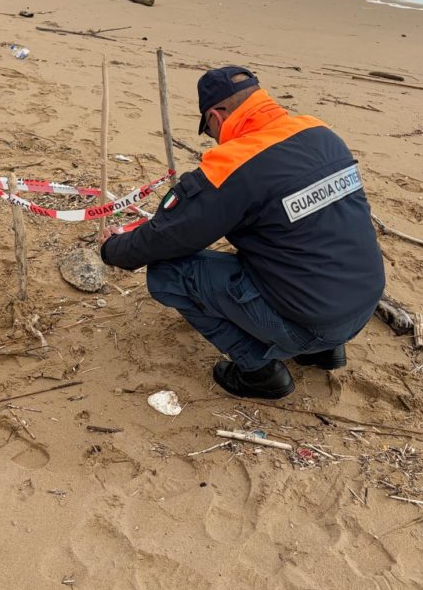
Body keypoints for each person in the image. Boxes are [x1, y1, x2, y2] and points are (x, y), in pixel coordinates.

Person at [100, 66, 385, 400]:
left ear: (216, 117)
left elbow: (166, 238)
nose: (215, 139)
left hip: (312, 320)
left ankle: (259, 372)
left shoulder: (235, 162)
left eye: (210, 131)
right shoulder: (320, 132)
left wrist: (112, 249)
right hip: (364, 303)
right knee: (294, 244)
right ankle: (323, 352)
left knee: (168, 271)